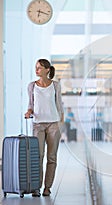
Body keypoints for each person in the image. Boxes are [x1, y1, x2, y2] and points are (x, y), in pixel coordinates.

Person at [24, 59, 64, 197]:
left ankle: (48, 187)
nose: (37, 70)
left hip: (54, 124)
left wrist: (61, 124)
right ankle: (37, 187)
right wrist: (29, 112)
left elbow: (60, 105)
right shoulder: (31, 86)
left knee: (51, 157)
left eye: (40, 68)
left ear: (47, 70)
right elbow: (31, 104)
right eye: (36, 68)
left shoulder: (56, 86)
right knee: (38, 156)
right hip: (38, 125)